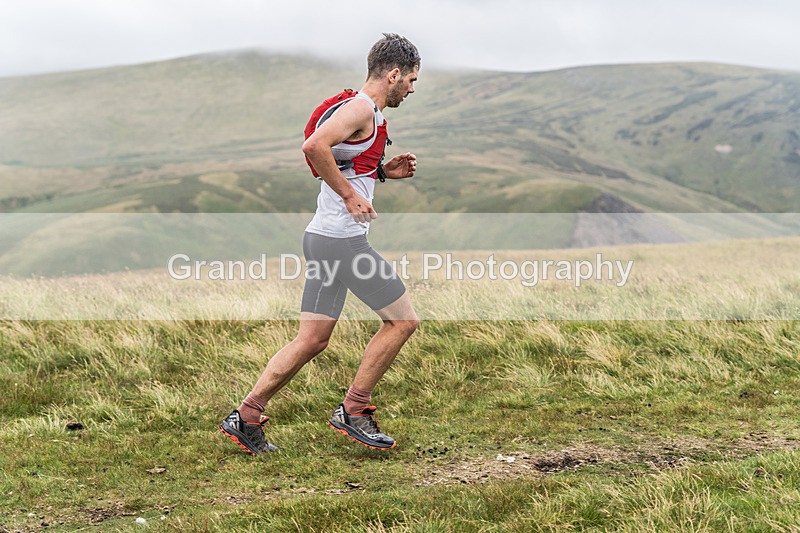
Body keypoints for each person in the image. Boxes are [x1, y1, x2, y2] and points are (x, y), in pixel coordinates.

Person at [219, 33, 421, 455]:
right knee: (403, 322)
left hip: (323, 238)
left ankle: (247, 414)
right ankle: (354, 409)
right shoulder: (361, 107)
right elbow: (314, 146)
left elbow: (344, 159)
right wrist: (350, 195)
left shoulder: (365, 110)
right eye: (412, 80)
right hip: (341, 243)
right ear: (394, 74)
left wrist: (381, 174)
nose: (412, 89)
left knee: (312, 340)